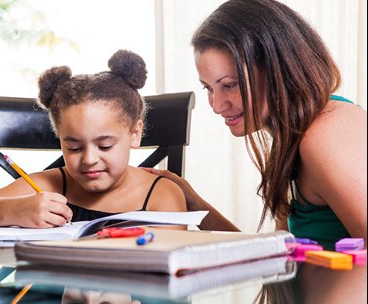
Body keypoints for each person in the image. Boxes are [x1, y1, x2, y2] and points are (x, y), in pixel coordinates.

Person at [144, 0, 367, 250]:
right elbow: (273, 257)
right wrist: (194, 204)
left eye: (229, 85)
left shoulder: (327, 134)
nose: (216, 106)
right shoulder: (291, 141)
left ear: (278, 69)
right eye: (208, 88)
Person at [0, 49, 186, 231]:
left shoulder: (161, 195)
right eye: (74, 147)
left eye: (105, 146)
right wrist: (15, 210)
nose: (89, 159)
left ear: (135, 134)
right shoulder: (51, 184)